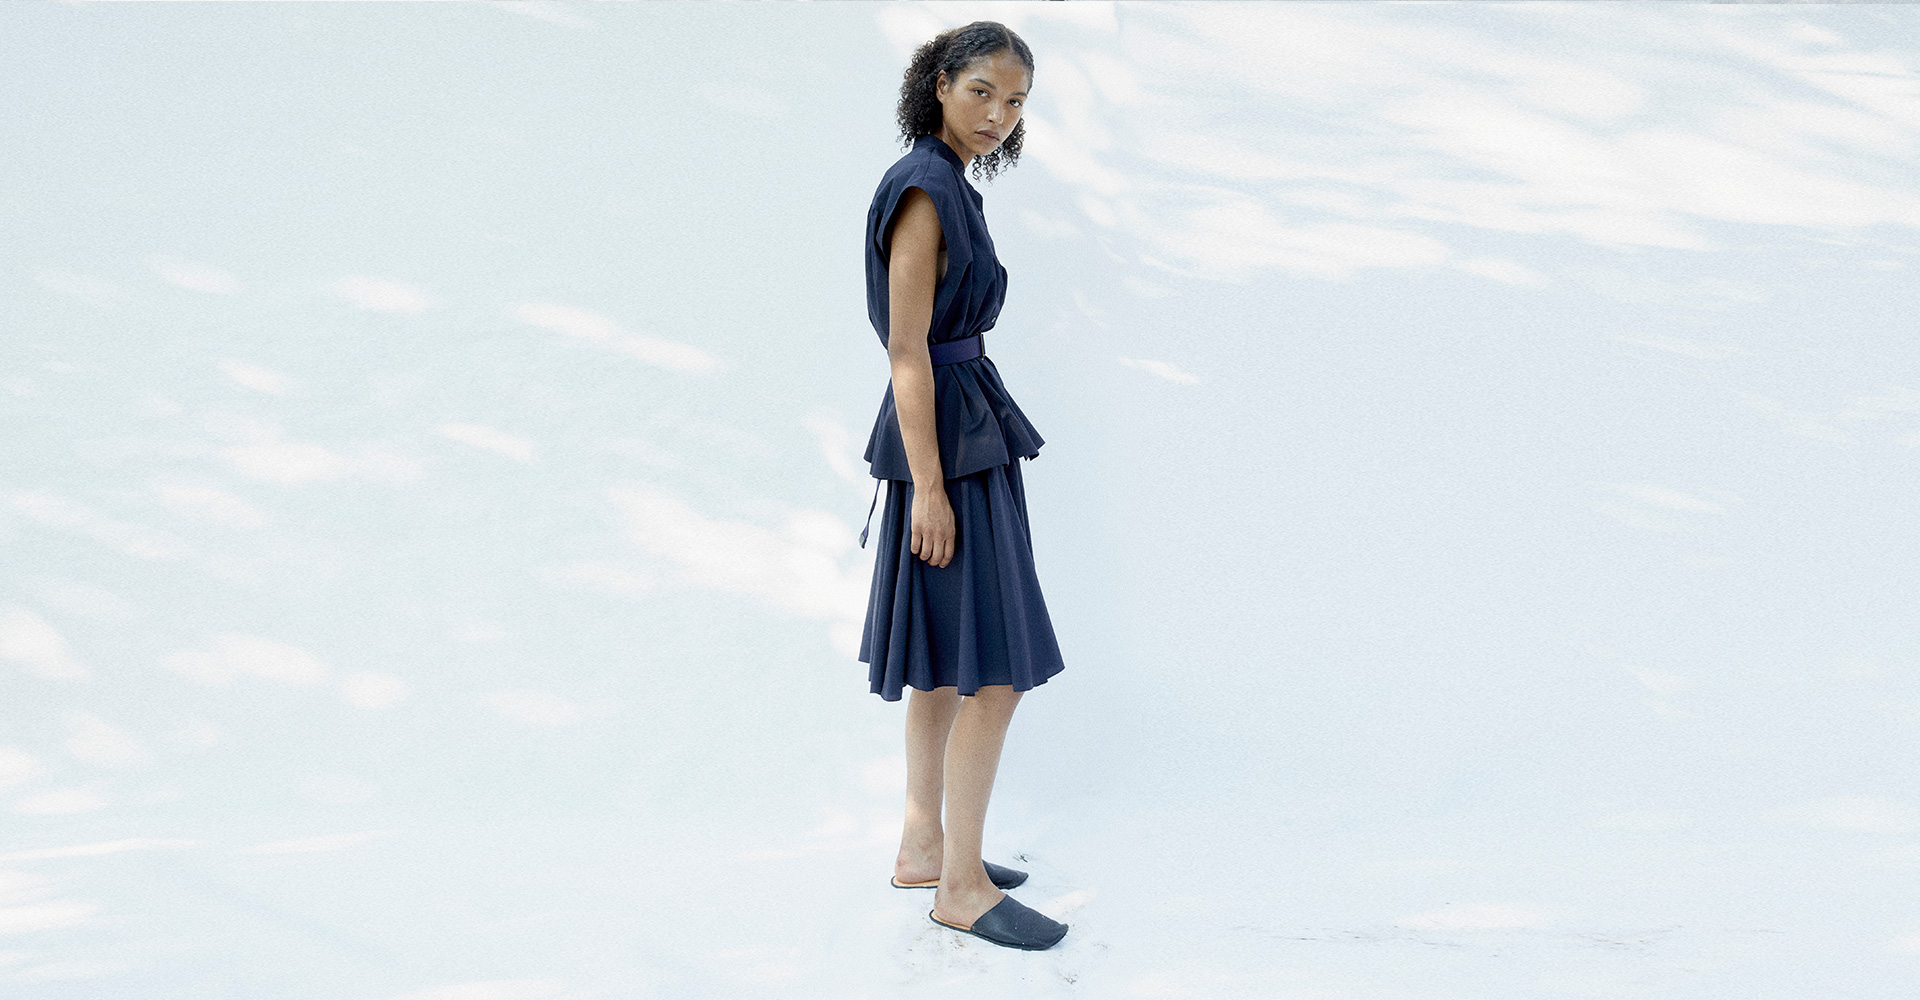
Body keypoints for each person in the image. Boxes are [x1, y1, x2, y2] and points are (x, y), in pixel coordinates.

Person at [856, 21, 1069, 952]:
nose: (998, 114)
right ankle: (962, 888)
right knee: (996, 671)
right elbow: (906, 349)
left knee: (950, 657)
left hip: (964, 428)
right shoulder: (924, 190)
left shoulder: (948, 180)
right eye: (982, 90)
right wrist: (932, 489)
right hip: (945, 446)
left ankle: (925, 847)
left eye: (1015, 101)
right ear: (940, 83)